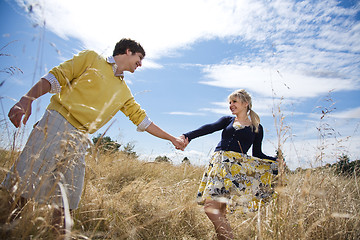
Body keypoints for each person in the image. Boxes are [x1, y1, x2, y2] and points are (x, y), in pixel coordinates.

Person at [3, 38, 185, 234]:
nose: (140, 64)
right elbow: (56, 76)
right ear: (128, 51)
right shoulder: (91, 58)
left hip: (80, 139)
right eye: (139, 58)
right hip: (57, 122)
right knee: (23, 184)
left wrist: (172, 139)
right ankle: (6, 229)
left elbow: (143, 121)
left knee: (67, 198)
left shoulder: (124, 91)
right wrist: (26, 99)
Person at [180, 89, 278, 240]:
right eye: (230, 102)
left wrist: (275, 161)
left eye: (234, 102)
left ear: (245, 103)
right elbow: (208, 128)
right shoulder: (227, 120)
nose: (231, 105)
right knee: (216, 210)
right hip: (218, 166)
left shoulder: (257, 127)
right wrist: (188, 136)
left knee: (213, 209)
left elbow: (257, 153)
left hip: (235, 171)